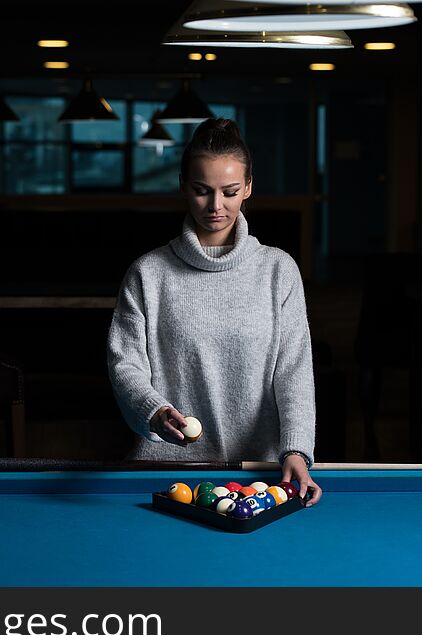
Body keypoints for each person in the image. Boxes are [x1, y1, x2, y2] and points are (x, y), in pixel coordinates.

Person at [106, 118, 322, 506]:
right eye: (202, 191)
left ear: (249, 189)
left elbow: (294, 371)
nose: (216, 206)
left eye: (230, 191)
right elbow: (126, 365)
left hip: (259, 480)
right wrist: (153, 411)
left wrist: (296, 449)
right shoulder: (148, 272)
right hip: (166, 476)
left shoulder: (278, 270)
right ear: (183, 187)